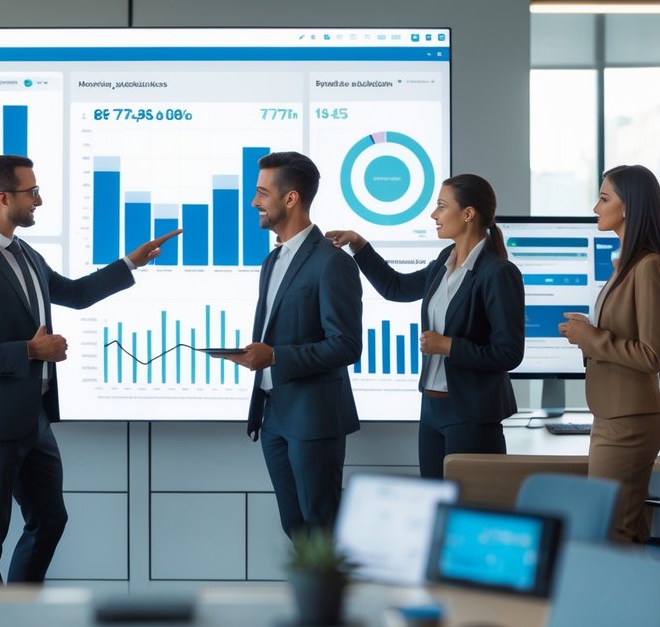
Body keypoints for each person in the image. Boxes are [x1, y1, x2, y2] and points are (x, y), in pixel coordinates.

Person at [0, 155, 179, 582]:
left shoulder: (26, 253)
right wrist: (29, 351)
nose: (39, 200)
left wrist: (130, 263)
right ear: (2, 197)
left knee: (50, 519)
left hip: (34, 417)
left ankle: (19, 608)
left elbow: (76, 294)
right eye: (31, 192)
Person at [328, 174, 525, 480]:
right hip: (432, 408)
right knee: (433, 502)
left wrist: (449, 346)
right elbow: (396, 287)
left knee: (467, 505)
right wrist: (359, 244)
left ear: (468, 214)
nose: (434, 214)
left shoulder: (498, 273)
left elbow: (509, 353)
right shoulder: (445, 260)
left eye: (442, 206)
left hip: (471, 414)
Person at [223, 152, 363, 538]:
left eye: (262, 193)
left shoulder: (332, 262)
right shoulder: (273, 260)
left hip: (314, 419)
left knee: (322, 531)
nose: (254, 201)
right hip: (274, 416)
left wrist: (276, 357)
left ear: (290, 198)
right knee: (294, 528)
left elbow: (347, 345)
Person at [559, 165, 660, 543]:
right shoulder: (627, 266)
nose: (596, 208)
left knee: (613, 531)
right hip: (614, 415)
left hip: (629, 421)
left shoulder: (649, 267)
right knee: (624, 527)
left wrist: (591, 337)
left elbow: (651, 355)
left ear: (628, 207)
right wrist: (588, 333)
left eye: (604, 198)